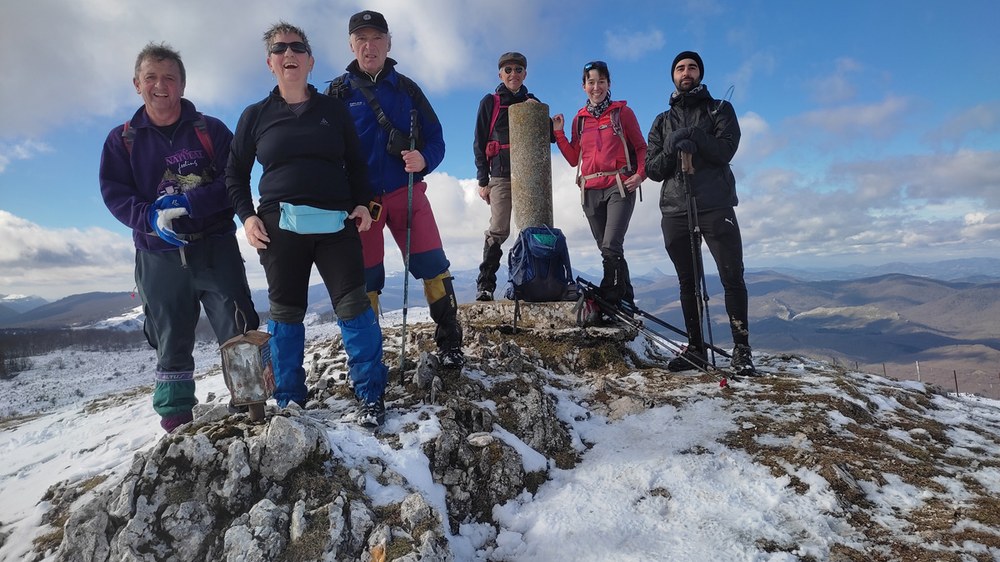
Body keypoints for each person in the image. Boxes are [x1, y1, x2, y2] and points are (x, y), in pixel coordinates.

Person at [227, 22, 390, 428]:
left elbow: (356, 164)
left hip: (336, 223)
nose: (289, 54)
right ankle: (289, 402)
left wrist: (363, 204)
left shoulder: (333, 111)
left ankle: (370, 395)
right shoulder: (255, 116)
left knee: (354, 308)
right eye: (279, 48)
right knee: (285, 315)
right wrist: (247, 216)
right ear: (270, 62)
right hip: (278, 227)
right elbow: (234, 174)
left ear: (310, 60)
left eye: (297, 47)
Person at [99, 42, 259, 433]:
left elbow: (233, 182)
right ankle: (176, 426)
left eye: (169, 77)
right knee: (169, 340)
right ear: (137, 84)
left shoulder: (211, 130)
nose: (160, 85)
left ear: (182, 85)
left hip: (215, 247)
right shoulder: (122, 141)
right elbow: (115, 194)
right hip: (158, 256)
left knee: (239, 330)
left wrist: (190, 203)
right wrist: (149, 217)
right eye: (151, 77)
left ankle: (252, 410)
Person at [325, 10, 464, 369]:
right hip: (361, 204)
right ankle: (370, 357)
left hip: (407, 193)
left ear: (389, 43)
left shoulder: (408, 90)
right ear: (351, 45)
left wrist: (424, 159)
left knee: (434, 266)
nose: (369, 46)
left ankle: (451, 344)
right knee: (366, 280)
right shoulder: (337, 94)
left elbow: (437, 140)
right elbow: (323, 151)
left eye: (377, 38)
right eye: (361, 39)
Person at [645, 51, 757, 376]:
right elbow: (653, 169)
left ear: (700, 73)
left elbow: (726, 150)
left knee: (731, 276)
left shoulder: (719, 109)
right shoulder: (661, 121)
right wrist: (673, 146)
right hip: (675, 209)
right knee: (687, 282)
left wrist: (695, 137)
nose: (686, 72)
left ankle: (742, 351)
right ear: (673, 76)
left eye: (692, 67)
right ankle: (696, 348)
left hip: (716, 205)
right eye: (680, 68)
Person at [553, 60, 647, 322]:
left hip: (619, 185)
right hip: (590, 189)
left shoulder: (622, 113)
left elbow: (641, 147)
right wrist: (559, 134)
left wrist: (640, 174)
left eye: (601, 81)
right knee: (608, 249)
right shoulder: (579, 120)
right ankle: (626, 300)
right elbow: (573, 158)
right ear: (584, 86)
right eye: (591, 82)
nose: (596, 87)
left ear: (609, 84)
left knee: (610, 245)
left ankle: (610, 301)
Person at [472, 52, 543, 302]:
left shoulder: (532, 102)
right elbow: (479, 142)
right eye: (508, 70)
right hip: (500, 175)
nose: (514, 74)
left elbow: (546, 137)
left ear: (525, 74)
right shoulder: (490, 102)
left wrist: (543, 117)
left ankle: (534, 283)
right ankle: (486, 285)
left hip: (529, 176)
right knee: (498, 229)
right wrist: (483, 181)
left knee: (532, 229)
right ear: (500, 74)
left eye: (518, 69)